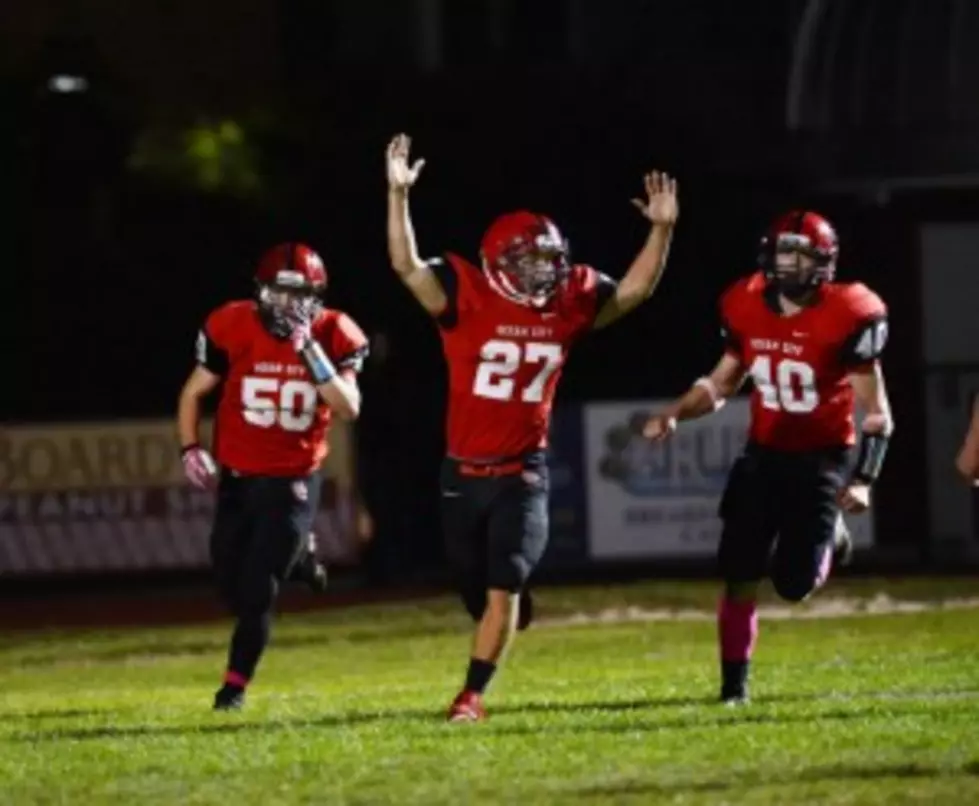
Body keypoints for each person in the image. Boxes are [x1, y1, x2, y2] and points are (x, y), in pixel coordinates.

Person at [385, 133, 679, 721]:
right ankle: (503, 613)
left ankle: (471, 696)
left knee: (504, 587)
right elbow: (405, 265)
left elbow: (634, 291)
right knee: (477, 591)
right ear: (499, 262)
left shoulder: (571, 299)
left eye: (550, 262)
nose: (544, 274)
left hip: (525, 473)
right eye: (531, 262)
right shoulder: (463, 290)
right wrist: (398, 197)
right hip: (461, 474)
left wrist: (661, 229)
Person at [643, 210, 894, 704]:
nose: (791, 263)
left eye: (802, 254)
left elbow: (878, 413)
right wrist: (676, 411)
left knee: (794, 585)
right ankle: (733, 688)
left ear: (824, 263)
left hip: (823, 455)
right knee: (738, 572)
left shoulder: (849, 311)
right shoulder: (745, 303)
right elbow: (719, 385)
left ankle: (827, 542)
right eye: (785, 252)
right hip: (765, 453)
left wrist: (864, 478)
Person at [176, 243, 368, 710]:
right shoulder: (231, 323)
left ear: (317, 296)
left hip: (293, 480)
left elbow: (348, 408)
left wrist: (310, 352)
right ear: (261, 292)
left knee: (259, 589)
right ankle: (301, 554)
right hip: (238, 479)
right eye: (278, 293)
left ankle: (233, 689)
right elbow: (194, 391)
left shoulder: (334, 332)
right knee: (229, 580)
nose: (288, 305)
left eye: (299, 294)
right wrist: (189, 446)